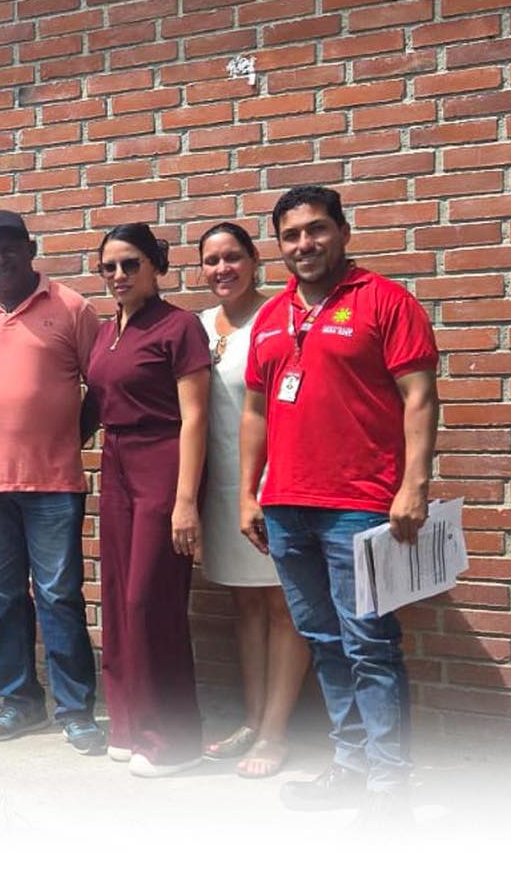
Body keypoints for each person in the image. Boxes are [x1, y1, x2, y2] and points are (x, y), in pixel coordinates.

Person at [240, 186, 439, 819]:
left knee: (369, 645)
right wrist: (249, 492)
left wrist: (414, 485)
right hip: (286, 508)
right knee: (324, 641)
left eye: (316, 230)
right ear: (280, 245)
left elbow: (420, 396)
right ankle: (351, 766)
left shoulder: (385, 301)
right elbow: (254, 410)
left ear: (343, 232)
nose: (305, 244)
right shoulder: (272, 317)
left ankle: (390, 787)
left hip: (360, 507)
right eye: (292, 234)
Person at [0, 209, 102, 752]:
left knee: (59, 595)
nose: (1, 258)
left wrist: (69, 433)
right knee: (1, 598)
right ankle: (19, 703)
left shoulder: (71, 308)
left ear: (30, 248)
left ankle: (76, 710)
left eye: (11, 247)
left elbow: (102, 386)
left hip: (52, 484)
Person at [81, 223, 211, 777]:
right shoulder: (107, 332)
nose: (118, 276)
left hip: (164, 461)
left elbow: (197, 416)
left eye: (130, 264)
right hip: (117, 465)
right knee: (116, 599)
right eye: (108, 267)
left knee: (148, 602)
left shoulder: (179, 328)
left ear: (156, 265)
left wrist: (186, 502)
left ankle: (172, 741)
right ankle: (128, 723)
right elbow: (93, 404)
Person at [195, 222, 311, 778]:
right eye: (212, 260)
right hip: (219, 489)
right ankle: (252, 716)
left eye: (233, 257)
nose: (223, 269)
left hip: (272, 484)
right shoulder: (197, 327)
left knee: (283, 606)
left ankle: (276, 731)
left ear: (255, 260)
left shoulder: (281, 318)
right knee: (244, 604)